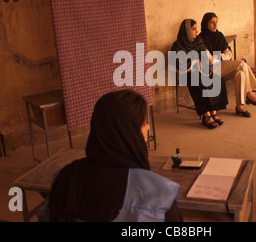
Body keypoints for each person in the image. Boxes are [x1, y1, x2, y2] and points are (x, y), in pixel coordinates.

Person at [37, 89, 182, 222]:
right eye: (144, 123)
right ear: (130, 133)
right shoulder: (160, 194)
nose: (148, 127)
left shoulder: (65, 177)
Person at [199, 12, 256, 118]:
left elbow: (229, 53)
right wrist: (221, 57)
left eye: (216, 22)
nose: (215, 25)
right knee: (241, 63)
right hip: (210, 70)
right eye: (212, 22)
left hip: (223, 67)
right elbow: (209, 59)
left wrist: (219, 57)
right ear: (206, 23)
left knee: (240, 74)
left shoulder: (219, 35)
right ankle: (249, 93)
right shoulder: (201, 39)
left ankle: (239, 106)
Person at [171, 19, 228, 129]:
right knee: (200, 82)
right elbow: (180, 64)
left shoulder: (198, 41)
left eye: (196, 29)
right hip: (186, 73)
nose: (196, 32)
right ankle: (206, 116)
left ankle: (213, 112)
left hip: (201, 70)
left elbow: (204, 57)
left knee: (217, 79)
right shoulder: (177, 45)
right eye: (193, 29)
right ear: (186, 30)